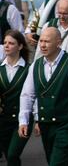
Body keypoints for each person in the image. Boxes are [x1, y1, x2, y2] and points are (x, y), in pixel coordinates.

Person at [18, 27, 68, 165]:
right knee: (59, 160)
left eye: (47, 41)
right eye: (41, 41)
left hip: (67, 124)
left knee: (56, 163)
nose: (43, 45)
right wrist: (24, 120)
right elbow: (27, 95)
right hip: (46, 125)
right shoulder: (36, 65)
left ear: (58, 42)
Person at [0, 30, 31, 166]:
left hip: (22, 120)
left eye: (11, 43)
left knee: (13, 155)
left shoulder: (29, 69)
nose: (6, 46)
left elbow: (33, 96)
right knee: (8, 154)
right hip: (2, 119)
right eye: (5, 43)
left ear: (20, 46)